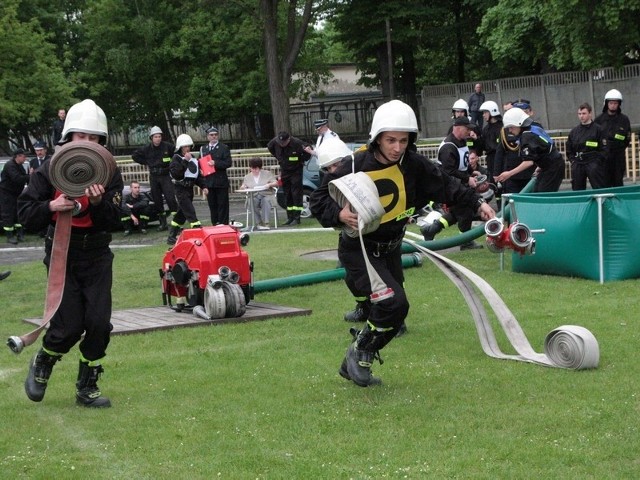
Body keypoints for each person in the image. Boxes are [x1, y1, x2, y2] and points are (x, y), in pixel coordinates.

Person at [310, 100, 495, 387]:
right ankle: (359, 352)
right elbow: (318, 199)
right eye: (390, 140)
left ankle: (359, 358)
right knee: (394, 303)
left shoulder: (413, 164)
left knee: (397, 312)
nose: (397, 148)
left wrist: (478, 203)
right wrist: (339, 214)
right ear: (377, 138)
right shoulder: (354, 164)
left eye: (403, 140)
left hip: (392, 248)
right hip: (360, 248)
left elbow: (446, 183)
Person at [18, 99, 124, 408]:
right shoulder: (49, 169)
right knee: (67, 327)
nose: (87, 143)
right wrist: (50, 207)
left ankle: (87, 385)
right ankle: (43, 362)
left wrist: (101, 202)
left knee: (99, 323)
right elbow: (24, 210)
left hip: (97, 256)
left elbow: (114, 218)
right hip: (63, 254)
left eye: (94, 138)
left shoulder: (109, 171)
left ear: (102, 142)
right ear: (68, 137)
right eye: (81, 136)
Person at [421, 117, 485, 250]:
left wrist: (471, 173)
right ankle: (465, 241)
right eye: (467, 128)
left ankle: (431, 229)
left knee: (458, 213)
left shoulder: (461, 142)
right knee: (465, 211)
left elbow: (462, 164)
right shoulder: (449, 147)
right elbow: (448, 171)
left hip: (458, 184)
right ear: (458, 128)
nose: (469, 131)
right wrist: (467, 179)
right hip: (450, 186)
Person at [496, 107, 565, 193]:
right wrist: (540, 165)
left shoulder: (527, 136)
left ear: (519, 124)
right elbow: (546, 147)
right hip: (550, 165)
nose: (510, 130)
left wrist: (509, 173)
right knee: (536, 191)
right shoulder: (534, 128)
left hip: (553, 168)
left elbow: (528, 162)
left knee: (543, 195)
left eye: (511, 127)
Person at [131, 126, 178, 231]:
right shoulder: (146, 148)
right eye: (156, 137)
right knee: (157, 200)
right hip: (154, 177)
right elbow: (134, 155)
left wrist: (171, 163)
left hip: (165, 176)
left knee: (170, 198)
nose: (158, 138)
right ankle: (163, 223)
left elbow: (175, 154)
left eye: (159, 136)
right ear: (151, 138)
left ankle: (176, 223)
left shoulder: (168, 147)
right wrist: (146, 162)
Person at [167, 134, 208, 245]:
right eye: (185, 146)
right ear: (180, 147)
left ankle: (171, 237)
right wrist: (185, 161)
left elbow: (197, 175)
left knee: (181, 215)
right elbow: (177, 174)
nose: (187, 149)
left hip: (189, 189)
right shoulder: (176, 159)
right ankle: (198, 233)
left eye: (189, 146)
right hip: (180, 189)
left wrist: (203, 186)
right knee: (190, 212)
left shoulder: (193, 159)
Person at [267, 131, 311, 226]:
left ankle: (297, 218)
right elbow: (270, 148)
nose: (281, 144)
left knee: (296, 194)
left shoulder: (297, 143)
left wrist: (301, 160)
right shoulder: (274, 142)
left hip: (296, 171)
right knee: (287, 194)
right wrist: (279, 158)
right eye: (280, 143)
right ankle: (289, 217)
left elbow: (308, 151)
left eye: (284, 143)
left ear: (289, 139)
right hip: (285, 170)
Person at [594, 89, 631, 187]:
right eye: (611, 103)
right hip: (604, 158)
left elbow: (627, 139)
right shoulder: (599, 120)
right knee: (604, 182)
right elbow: (595, 138)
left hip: (618, 156)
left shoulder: (624, 119)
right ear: (606, 104)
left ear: (619, 104)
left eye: (615, 103)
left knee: (618, 182)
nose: (613, 105)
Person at [566, 103, 607, 191]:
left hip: (593, 162)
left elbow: (604, 148)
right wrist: (573, 161)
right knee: (577, 189)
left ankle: (603, 204)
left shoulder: (598, 129)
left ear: (590, 113)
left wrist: (597, 162)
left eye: (584, 113)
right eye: (579, 114)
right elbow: (569, 149)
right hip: (578, 162)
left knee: (599, 188)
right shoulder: (574, 131)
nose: (581, 116)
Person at [199, 127, 232, 225]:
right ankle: (215, 225)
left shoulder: (224, 148)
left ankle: (223, 225)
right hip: (209, 181)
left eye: (215, 135)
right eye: (211, 135)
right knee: (212, 205)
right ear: (208, 136)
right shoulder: (203, 148)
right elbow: (200, 161)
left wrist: (215, 163)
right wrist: (200, 169)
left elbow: (228, 163)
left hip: (220, 181)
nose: (214, 137)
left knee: (222, 205)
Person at [240, 157, 278, 230]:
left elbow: (275, 183)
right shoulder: (247, 177)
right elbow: (243, 186)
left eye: (256, 168)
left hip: (267, 194)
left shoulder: (267, 173)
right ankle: (259, 222)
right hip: (254, 195)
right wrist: (243, 187)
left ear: (260, 168)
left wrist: (269, 185)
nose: (254, 170)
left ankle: (266, 222)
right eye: (252, 168)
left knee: (266, 201)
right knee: (250, 202)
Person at [0, 148, 29, 244]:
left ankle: (20, 234)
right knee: (8, 214)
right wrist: (30, 176)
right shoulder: (10, 165)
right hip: (7, 194)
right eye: (24, 156)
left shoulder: (19, 166)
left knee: (18, 214)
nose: (25, 158)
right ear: (18, 156)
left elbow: (24, 178)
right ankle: (9, 236)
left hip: (17, 194)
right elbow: (17, 178)